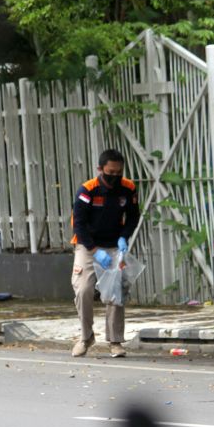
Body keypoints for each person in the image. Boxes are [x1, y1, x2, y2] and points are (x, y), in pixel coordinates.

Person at [70, 149, 140, 358]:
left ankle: (116, 341)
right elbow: (79, 225)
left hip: (113, 245)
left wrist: (124, 237)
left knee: (115, 292)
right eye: (111, 172)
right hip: (87, 246)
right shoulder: (87, 190)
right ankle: (86, 337)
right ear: (100, 169)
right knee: (84, 290)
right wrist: (93, 251)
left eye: (119, 172)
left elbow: (134, 217)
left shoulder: (128, 188)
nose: (115, 176)